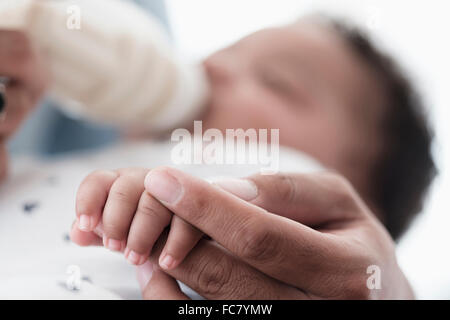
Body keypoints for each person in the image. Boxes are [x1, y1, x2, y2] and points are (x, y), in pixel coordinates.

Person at [0, 3, 435, 299]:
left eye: (274, 80)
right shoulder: (84, 151)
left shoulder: (281, 169)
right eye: (221, 53)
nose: (211, 67)